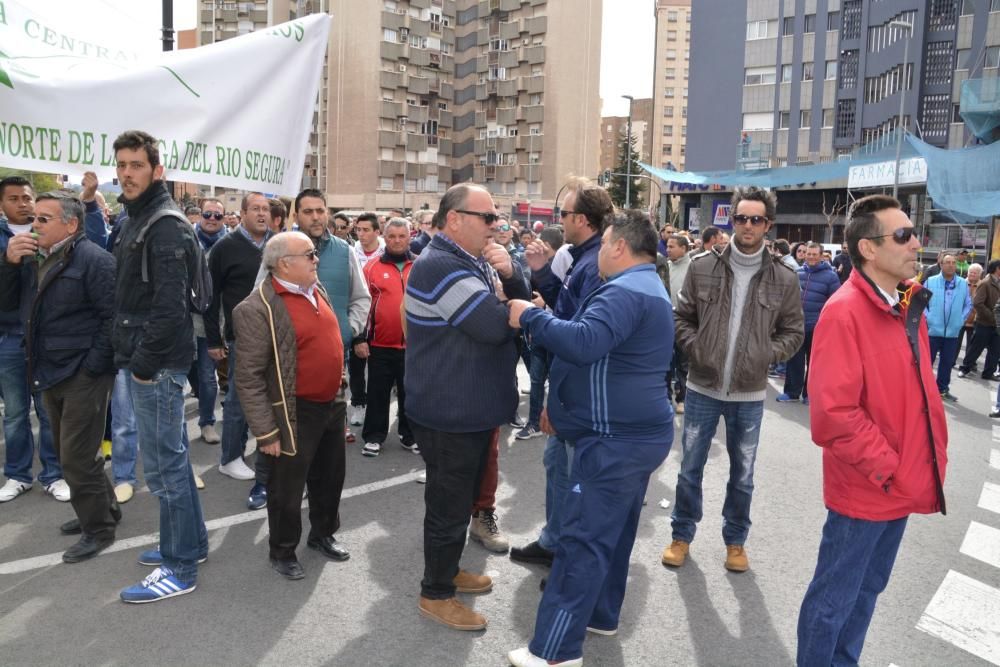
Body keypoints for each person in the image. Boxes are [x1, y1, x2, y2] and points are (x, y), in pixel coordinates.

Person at [505, 212, 674, 667]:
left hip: (616, 440)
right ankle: (600, 614)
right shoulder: (643, 286)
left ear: (619, 246)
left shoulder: (624, 291)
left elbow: (582, 342)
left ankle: (555, 652)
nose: (599, 252)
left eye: (604, 245)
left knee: (583, 541)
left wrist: (532, 318)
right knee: (611, 535)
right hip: (634, 434)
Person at [797, 194, 947, 665]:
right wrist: (891, 467)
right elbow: (833, 415)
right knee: (834, 600)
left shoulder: (907, 304)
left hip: (897, 483)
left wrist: (913, 467)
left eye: (913, 231)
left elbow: (917, 395)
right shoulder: (844, 312)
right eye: (902, 235)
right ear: (867, 248)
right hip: (868, 486)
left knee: (866, 592)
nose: (914, 243)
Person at [405, 183, 530, 631]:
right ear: (454, 219)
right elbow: (493, 326)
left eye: (497, 218)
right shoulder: (440, 265)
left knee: (456, 505)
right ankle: (435, 594)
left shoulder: (469, 259)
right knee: (447, 506)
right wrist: (508, 304)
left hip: (468, 409)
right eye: (487, 217)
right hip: (449, 411)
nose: (496, 226)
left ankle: (447, 571)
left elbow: (519, 301)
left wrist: (511, 284)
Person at [662, 186, 803, 572]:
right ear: (732, 220)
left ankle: (735, 541)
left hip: (749, 393)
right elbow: (681, 317)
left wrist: (764, 355)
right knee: (690, 466)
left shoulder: (784, 279)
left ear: (768, 225)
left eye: (756, 219)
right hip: (702, 387)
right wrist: (698, 348)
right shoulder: (702, 265)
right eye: (741, 218)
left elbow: (793, 332)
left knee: (743, 474)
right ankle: (681, 534)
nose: (747, 225)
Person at [109, 130, 207, 603]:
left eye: (136, 165)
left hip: (159, 367)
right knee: (175, 464)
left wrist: (143, 368)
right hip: (152, 362)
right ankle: (189, 544)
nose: (127, 173)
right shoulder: (140, 218)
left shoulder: (162, 225)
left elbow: (170, 309)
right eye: (122, 164)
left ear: (156, 170)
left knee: (166, 470)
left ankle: (180, 566)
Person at [0, 191, 119, 562]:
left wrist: (92, 366)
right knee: (77, 453)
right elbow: (7, 307)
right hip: (48, 370)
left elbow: (112, 320)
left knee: (75, 458)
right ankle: (106, 511)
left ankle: (97, 530)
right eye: (34, 218)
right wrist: (7, 264)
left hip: (83, 372)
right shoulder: (33, 258)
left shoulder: (94, 260)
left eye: (43, 219)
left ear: (71, 223)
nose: (34, 225)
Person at [233, 232, 350, 580]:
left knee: (330, 478)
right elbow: (249, 378)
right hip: (293, 411)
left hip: (331, 404)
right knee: (287, 488)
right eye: (310, 254)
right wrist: (266, 431)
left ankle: (322, 534)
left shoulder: (317, 289)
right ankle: (282, 551)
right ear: (285, 263)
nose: (317, 259)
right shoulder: (255, 309)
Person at [509, 178, 613, 573]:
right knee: (557, 464)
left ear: (582, 219)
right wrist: (542, 274)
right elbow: (567, 309)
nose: (559, 220)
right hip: (568, 381)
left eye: (563, 214)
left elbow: (578, 335)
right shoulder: (582, 256)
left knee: (573, 473)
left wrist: (534, 315)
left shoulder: (595, 262)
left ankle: (567, 556)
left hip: (579, 386)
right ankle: (554, 541)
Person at [0, 175, 70, 504]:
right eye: (13, 198)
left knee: (48, 409)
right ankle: (17, 475)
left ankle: (54, 475)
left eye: (27, 197)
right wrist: (9, 262)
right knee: (15, 412)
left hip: (46, 337)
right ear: (2, 204)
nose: (22, 204)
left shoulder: (47, 230)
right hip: (10, 337)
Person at [205, 193, 274, 509]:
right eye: (255, 209)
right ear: (243, 213)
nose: (262, 214)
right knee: (238, 399)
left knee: (272, 398)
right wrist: (213, 339)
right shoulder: (224, 247)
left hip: (277, 336)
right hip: (240, 336)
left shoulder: (279, 243)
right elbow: (211, 296)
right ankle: (230, 456)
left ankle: (266, 453)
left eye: (266, 209)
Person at [296, 190, 370, 450]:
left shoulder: (344, 251)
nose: (315, 217)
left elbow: (362, 297)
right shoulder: (281, 247)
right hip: (291, 355)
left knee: (330, 427)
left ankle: (322, 485)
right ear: (296, 215)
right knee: (295, 427)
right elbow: (259, 296)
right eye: (308, 212)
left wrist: (349, 330)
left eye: (320, 210)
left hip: (334, 355)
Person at [359, 218, 417, 457]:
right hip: (379, 344)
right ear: (384, 236)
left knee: (410, 393)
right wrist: (360, 338)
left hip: (413, 346)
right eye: (391, 236)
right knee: (377, 392)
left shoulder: (421, 266)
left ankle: (409, 435)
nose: (396, 241)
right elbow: (361, 305)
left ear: (409, 237)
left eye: (401, 236)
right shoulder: (371, 267)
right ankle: (374, 436)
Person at [777, 242, 839, 404]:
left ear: (821, 255)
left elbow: (835, 302)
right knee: (794, 361)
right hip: (796, 326)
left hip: (818, 327)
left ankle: (810, 394)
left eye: (814, 254)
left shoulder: (831, 276)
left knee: (815, 363)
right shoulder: (796, 272)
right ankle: (791, 393)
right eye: (808, 254)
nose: (811, 257)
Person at [191, 198, 227, 446]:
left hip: (211, 321)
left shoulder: (229, 245)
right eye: (207, 214)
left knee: (207, 376)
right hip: (182, 320)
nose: (212, 219)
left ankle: (207, 423)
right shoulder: (185, 239)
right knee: (179, 375)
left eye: (218, 216)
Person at [348, 212, 385, 429]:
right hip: (358, 320)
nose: (361, 234)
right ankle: (358, 404)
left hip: (381, 323)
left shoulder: (386, 252)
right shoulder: (351, 253)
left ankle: (374, 407)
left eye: (366, 230)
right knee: (356, 368)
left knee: (378, 371)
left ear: (377, 231)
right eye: (358, 230)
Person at [925, 253, 972, 402]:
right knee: (927, 363)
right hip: (933, 331)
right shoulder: (930, 282)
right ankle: (924, 389)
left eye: (953, 262)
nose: (951, 265)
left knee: (947, 363)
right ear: (941, 264)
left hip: (952, 332)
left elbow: (968, 304)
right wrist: (929, 317)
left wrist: (961, 319)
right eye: (948, 262)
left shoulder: (962, 283)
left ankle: (942, 389)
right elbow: (921, 303)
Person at [663, 234, 692, 413]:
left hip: (685, 322)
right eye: (667, 246)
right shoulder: (665, 267)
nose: (668, 249)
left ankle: (682, 397)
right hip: (666, 321)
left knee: (683, 362)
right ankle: (665, 396)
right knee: (666, 362)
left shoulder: (693, 268)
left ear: (684, 248)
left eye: (672, 246)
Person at [957, 259, 1000, 380]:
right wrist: (992, 316)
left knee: (995, 350)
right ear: (997, 269)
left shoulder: (998, 282)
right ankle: (965, 369)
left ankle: (988, 373)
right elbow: (978, 303)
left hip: (996, 324)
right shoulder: (985, 283)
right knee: (975, 348)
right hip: (984, 323)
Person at [960, 263, 983, 355]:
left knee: (972, 343)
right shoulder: (961, 283)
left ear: (980, 274)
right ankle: (952, 360)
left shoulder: (983, 285)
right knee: (956, 342)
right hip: (961, 317)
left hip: (975, 319)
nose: (972, 274)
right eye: (971, 272)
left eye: (975, 273)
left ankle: (969, 363)